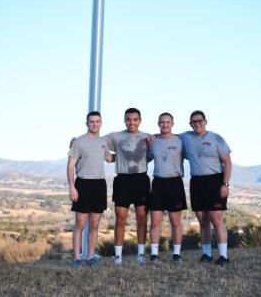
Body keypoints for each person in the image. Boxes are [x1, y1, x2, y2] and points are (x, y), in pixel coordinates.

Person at [180, 110, 232, 266]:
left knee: (216, 219)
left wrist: (225, 184)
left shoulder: (216, 138)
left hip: (215, 181)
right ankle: (207, 255)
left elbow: (228, 163)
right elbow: (167, 136)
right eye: (194, 122)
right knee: (202, 220)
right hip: (196, 181)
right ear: (190, 124)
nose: (197, 124)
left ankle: (223, 256)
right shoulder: (186, 137)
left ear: (205, 121)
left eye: (200, 121)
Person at [103, 108, 150, 264]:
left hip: (141, 180)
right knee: (120, 218)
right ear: (125, 120)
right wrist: (77, 141)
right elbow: (97, 142)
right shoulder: (116, 136)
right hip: (122, 181)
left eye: (135, 119)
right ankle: (118, 256)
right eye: (129, 119)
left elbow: (151, 155)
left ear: (140, 120)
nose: (132, 122)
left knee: (142, 218)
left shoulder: (147, 137)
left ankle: (141, 255)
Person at [67, 111, 113, 267]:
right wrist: (72, 187)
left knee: (94, 224)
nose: (95, 124)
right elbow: (70, 165)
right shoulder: (78, 142)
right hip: (83, 184)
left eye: (98, 121)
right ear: (87, 123)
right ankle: (77, 258)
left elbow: (109, 158)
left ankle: (91, 256)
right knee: (80, 223)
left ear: (101, 123)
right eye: (92, 121)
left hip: (99, 185)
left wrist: (128, 152)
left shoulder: (103, 142)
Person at [147, 112, 187, 263]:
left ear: (172, 124)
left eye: (168, 122)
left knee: (175, 221)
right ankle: (154, 255)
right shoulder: (153, 141)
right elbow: (147, 157)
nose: (165, 125)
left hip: (175, 183)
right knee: (155, 221)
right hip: (158, 183)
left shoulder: (180, 141)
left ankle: (176, 255)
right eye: (162, 122)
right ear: (158, 124)